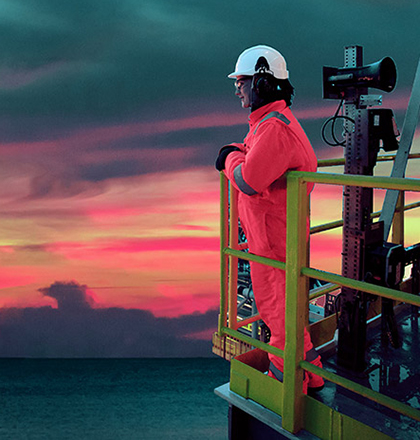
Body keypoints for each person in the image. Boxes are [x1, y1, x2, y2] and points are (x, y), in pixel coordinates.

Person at [215, 45, 324, 393]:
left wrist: (229, 159)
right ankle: (312, 372)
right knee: (286, 312)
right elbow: (255, 155)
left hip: (274, 243)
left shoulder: (275, 129)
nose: (237, 89)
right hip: (275, 237)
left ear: (262, 84)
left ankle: (284, 383)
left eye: (243, 81)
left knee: (278, 314)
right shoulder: (269, 124)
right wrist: (238, 152)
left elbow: (249, 180)